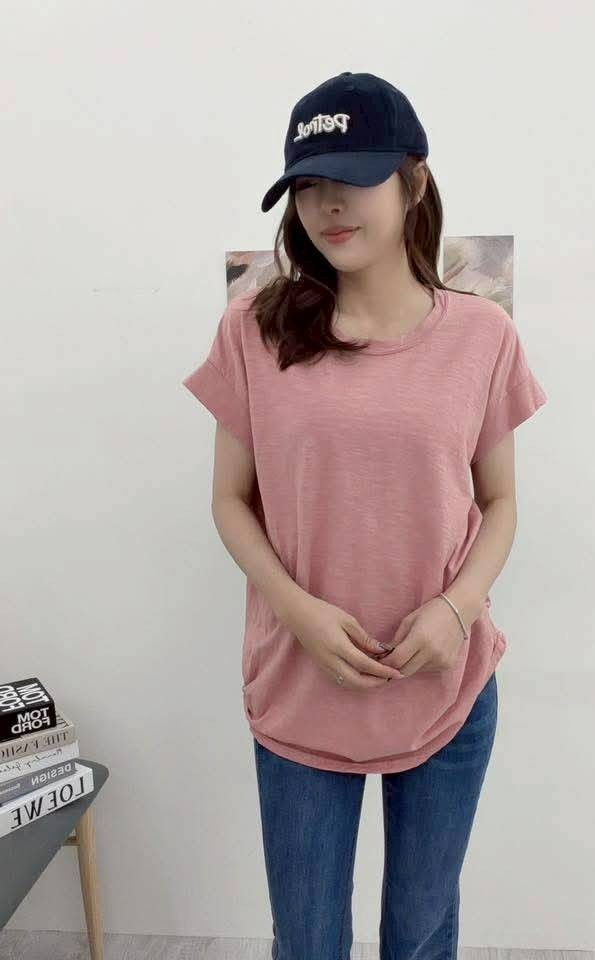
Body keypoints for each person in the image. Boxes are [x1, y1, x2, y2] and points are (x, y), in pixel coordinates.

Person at [182, 71, 548, 960]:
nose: (327, 205)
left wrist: (456, 609)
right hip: (303, 682)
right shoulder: (255, 328)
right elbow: (230, 501)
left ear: (414, 181)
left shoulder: (483, 336)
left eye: (352, 178)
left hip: (446, 679)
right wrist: (298, 612)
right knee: (307, 942)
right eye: (307, 185)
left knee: (420, 936)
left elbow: (500, 502)